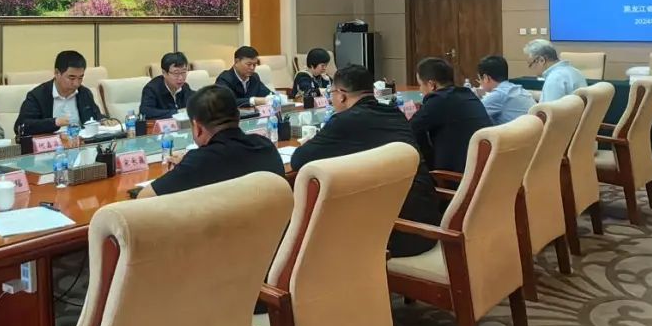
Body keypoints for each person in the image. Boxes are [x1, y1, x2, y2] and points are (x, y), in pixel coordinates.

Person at [291, 65, 440, 257]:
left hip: (394, 233)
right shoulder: (394, 114)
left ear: (342, 96)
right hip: (427, 223)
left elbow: (299, 160)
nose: (331, 98)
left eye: (331, 93)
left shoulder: (344, 121)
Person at [138, 85, 285, 197]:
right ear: (238, 116)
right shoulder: (265, 146)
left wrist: (182, 168)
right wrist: (187, 161)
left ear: (197, 127)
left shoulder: (198, 163)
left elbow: (144, 198)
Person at [410, 57, 492, 174]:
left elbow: (410, 128)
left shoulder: (438, 100)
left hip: (455, 177)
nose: (420, 90)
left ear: (432, 85)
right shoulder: (468, 94)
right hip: (485, 171)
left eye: (420, 85)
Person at [15, 50, 103, 137]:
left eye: (80, 78)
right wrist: (54, 122)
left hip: (81, 143)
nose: (76, 83)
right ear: (57, 73)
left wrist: (104, 120)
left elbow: (95, 117)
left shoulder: (84, 93)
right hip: (50, 144)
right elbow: (21, 127)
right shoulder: (38, 95)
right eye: (71, 78)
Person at [477, 55, 536, 125]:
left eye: (479, 79)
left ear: (486, 78)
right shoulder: (516, 89)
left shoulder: (499, 95)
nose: (480, 82)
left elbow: (473, 114)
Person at [140, 52, 194, 120]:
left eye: (183, 72)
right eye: (176, 73)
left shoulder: (184, 87)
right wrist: (177, 113)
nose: (181, 78)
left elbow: (195, 100)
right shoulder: (151, 89)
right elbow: (145, 111)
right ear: (164, 73)